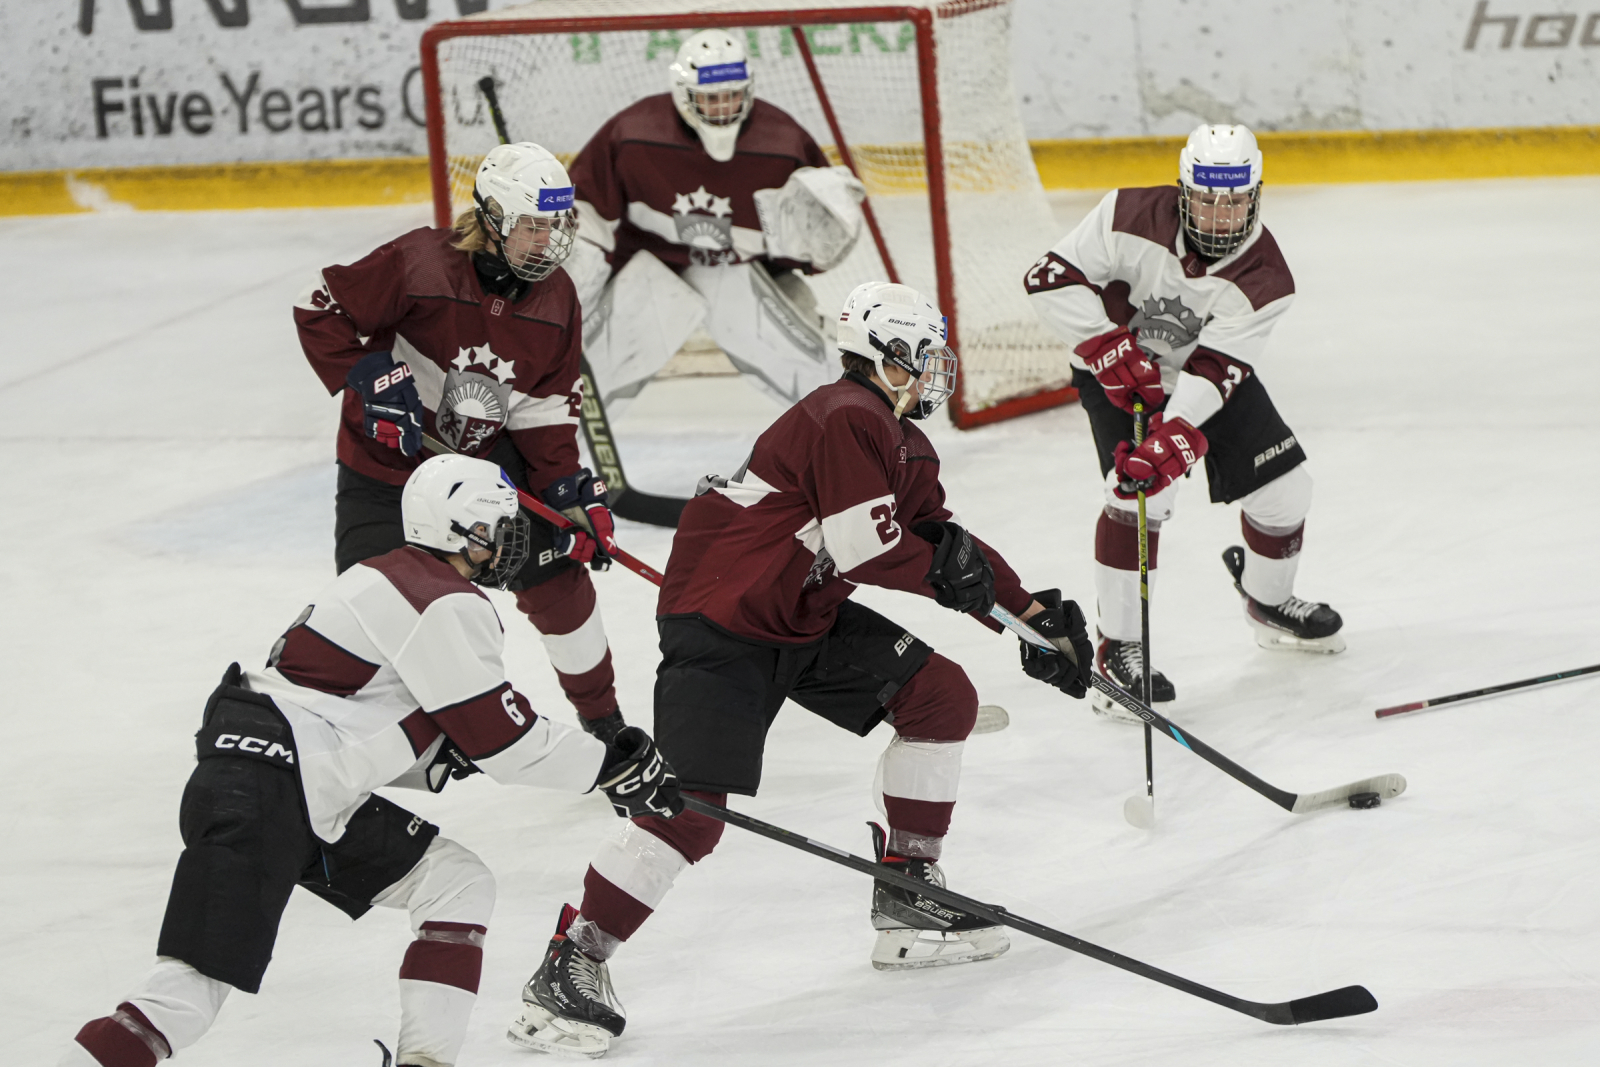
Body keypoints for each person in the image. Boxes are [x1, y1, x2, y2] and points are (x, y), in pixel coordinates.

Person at [503, 281, 1096, 1058]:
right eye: (924, 357)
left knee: (940, 696)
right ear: (887, 356)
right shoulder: (845, 414)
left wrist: (1032, 616)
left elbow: (941, 542)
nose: (934, 372)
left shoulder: (904, 442)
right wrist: (962, 584)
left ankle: (908, 890)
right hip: (723, 618)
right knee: (691, 813)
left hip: (802, 613)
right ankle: (572, 960)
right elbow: (868, 547)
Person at [60, 455, 682, 1067]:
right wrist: (612, 765)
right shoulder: (440, 600)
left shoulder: (384, 576)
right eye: (496, 525)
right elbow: (507, 744)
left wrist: (441, 754)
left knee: (456, 883)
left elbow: (351, 711)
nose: (506, 541)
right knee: (183, 997)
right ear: (463, 530)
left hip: (290, 785)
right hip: (270, 790)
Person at [295, 140, 632, 744]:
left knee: (558, 577)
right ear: (493, 217)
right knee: (371, 608)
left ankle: (606, 726)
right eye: (533, 226)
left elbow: (544, 407)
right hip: (386, 465)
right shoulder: (421, 263)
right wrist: (368, 373)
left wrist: (563, 489)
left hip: (482, 469)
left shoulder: (558, 298)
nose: (549, 241)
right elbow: (320, 306)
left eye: (556, 225)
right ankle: (346, 744)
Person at [1025, 123, 1344, 721]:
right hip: (1115, 377)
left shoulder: (1267, 279)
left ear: (1256, 195)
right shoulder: (1124, 214)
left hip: (1200, 378)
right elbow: (1048, 278)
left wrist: (1175, 433)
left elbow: (1217, 369)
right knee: (1137, 497)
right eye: (1206, 200)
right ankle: (1117, 652)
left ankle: (1268, 603)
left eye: (1234, 202)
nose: (1220, 216)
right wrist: (1104, 346)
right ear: (1182, 190)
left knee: (1286, 491)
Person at [563, 28, 870, 414]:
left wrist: (817, 246)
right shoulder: (633, 136)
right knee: (596, 363)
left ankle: (849, 425)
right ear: (683, 94)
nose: (723, 107)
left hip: (743, 274)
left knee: (810, 363)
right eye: (710, 98)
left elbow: (810, 249)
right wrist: (572, 294)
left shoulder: (783, 145)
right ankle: (556, 432)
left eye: (732, 96)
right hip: (649, 272)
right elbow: (585, 216)